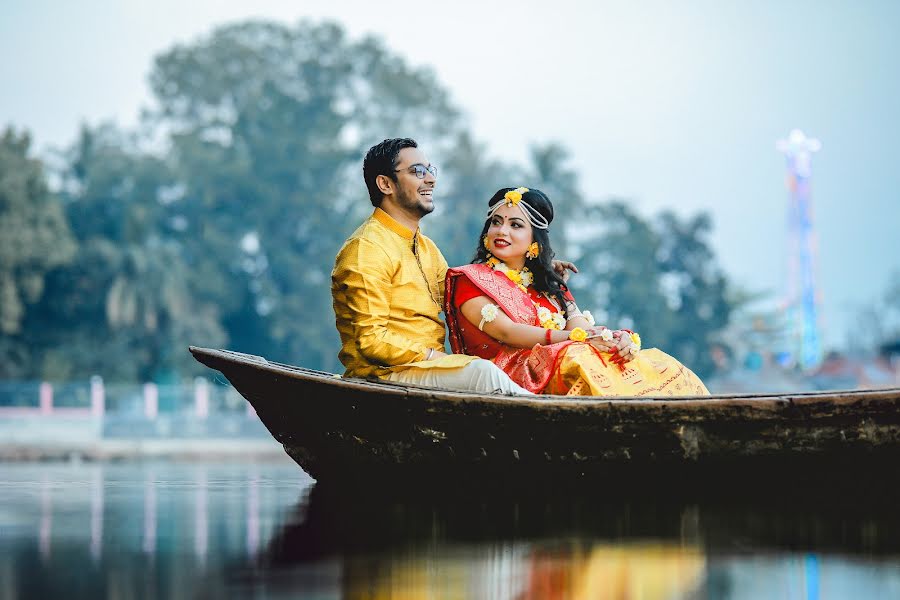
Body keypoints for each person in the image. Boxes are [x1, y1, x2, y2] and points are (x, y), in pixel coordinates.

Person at [445, 187, 710, 396]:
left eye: (515, 225)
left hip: (561, 358)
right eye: (496, 222)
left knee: (650, 360)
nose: (501, 231)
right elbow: (506, 332)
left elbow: (578, 323)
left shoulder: (548, 281)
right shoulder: (470, 279)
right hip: (509, 375)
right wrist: (575, 338)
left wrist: (607, 339)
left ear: (534, 240)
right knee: (578, 354)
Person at [331, 138, 532, 394]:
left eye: (430, 170)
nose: (431, 179)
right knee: (483, 374)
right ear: (385, 184)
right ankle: (557, 423)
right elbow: (371, 341)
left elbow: (466, 293)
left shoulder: (427, 249)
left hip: (424, 370)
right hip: (383, 376)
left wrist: (531, 267)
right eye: (417, 171)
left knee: (505, 366)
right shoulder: (366, 248)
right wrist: (438, 359)